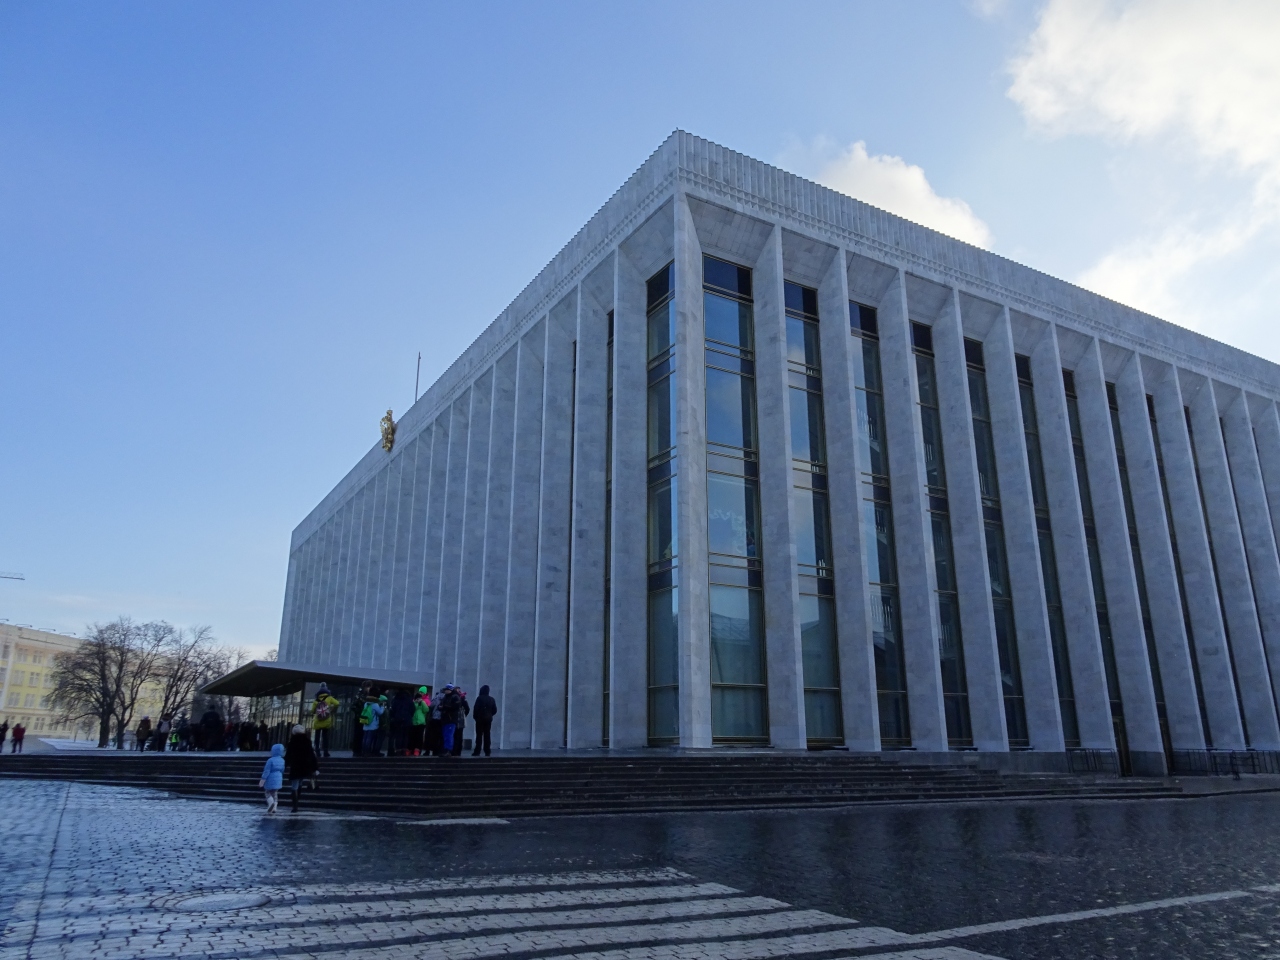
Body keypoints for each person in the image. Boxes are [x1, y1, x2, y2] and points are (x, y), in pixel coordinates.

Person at [284, 723, 318, 812]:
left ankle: (295, 805)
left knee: (294, 786)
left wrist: (284, 765)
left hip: (295, 766)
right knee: (300, 783)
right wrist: (314, 767)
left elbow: (288, 756)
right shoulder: (307, 742)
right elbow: (311, 755)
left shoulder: (292, 742)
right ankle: (297, 801)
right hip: (305, 766)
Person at [311, 684, 339, 757]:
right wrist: (332, 709)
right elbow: (337, 703)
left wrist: (316, 712)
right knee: (325, 737)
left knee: (317, 736)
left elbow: (312, 711)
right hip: (327, 720)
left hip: (318, 720)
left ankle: (317, 751)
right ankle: (326, 751)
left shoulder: (316, 700)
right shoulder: (329, 698)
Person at [259, 742, 284, 814]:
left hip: (270, 778)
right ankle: (275, 807)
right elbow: (282, 770)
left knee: (267, 792)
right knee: (275, 793)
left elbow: (266, 771)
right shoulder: (282, 760)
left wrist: (263, 780)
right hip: (279, 778)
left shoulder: (270, 760)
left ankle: (271, 803)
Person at [471, 685, 497, 757]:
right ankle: (487, 751)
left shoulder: (479, 698)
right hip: (488, 719)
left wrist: (476, 717)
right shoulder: (491, 699)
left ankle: (477, 751)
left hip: (480, 718)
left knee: (479, 735)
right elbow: (495, 710)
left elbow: (476, 709)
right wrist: (490, 714)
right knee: (487, 734)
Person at [439, 685, 462, 757]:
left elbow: (456, 706)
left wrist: (445, 707)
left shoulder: (455, 697)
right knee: (445, 735)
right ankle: (445, 750)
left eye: (446, 689)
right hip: (445, 719)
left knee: (449, 735)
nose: (445, 691)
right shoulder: (445, 697)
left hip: (451, 719)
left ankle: (448, 750)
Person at [389, 688, 413, 756]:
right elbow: (412, 710)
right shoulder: (409, 700)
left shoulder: (396, 700)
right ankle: (404, 750)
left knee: (399, 736)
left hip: (398, 720)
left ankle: (398, 750)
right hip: (407, 720)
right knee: (405, 736)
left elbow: (393, 710)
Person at [451, 688, 471, 757]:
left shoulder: (454, 697)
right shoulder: (462, 698)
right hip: (460, 719)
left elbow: (467, 708)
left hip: (455, 718)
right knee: (459, 735)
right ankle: (458, 751)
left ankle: (454, 750)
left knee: (455, 735)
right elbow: (467, 708)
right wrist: (464, 714)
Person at [410, 687, 429, 756]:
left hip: (421, 722)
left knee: (419, 737)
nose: (421, 693)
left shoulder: (424, 702)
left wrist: (422, 702)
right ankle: (411, 749)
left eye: (422, 692)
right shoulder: (414, 702)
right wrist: (415, 702)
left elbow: (426, 710)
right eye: (420, 692)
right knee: (413, 737)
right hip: (414, 721)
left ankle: (417, 750)